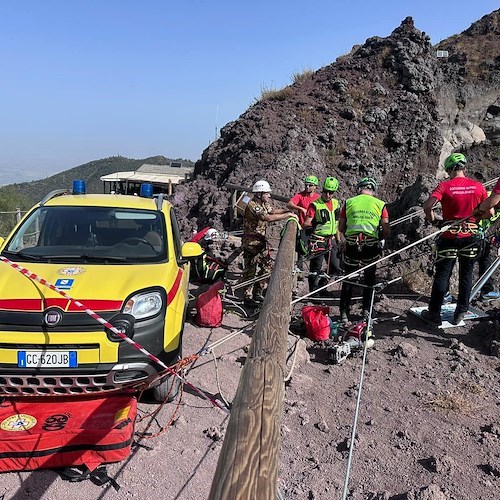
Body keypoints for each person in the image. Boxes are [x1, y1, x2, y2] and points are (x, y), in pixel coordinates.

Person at [422, 153, 489, 326]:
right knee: (466, 274)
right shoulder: (478, 187)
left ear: (450, 169)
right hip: (471, 236)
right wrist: (476, 220)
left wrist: (435, 220)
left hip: (450, 235)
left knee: (443, 274)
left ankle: (434, 313)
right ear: (464, 167)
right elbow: (489, 212)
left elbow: (427, 206)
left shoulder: (445, 186)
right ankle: (460, 312)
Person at [338, 177, 390, 324]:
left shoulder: (348, 202)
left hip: (352, 246)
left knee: (348, 278)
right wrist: (379, 235)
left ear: (359, 189)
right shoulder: (380, 204)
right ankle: (366, 311)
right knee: (369, 279)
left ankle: (343, 313)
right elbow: (386, 229)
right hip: (370, 246)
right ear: (372, 191)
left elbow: (341, 228)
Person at [242, 179, 297, 306]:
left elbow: (272, 211)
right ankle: (247, 298)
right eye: (267, 193)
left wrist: (288, 211)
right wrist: (288, 216)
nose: (269, 195)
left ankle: (258, 292)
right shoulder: (253, 205)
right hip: (251, 243)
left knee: (267, 268)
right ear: (260, 193)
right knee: (250, 270)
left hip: (259, 242)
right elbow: (266, 218)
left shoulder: (263, 203)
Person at [303, 177, 341, 294]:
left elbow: (337, 223)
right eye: (325, 191)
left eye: (331, 193)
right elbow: (306, 223)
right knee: (315, 268)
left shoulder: (336, 204)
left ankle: (322, 286)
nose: (327, 195)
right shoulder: (315, 205)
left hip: (332, 239)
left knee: (335, 267)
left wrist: (338, 240)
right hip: (318, 239)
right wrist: (310, 229)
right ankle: (313, 292)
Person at [286, 175, 321, 271]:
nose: (307, 187)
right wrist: (300, 208)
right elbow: (289, 204)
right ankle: (299, 268)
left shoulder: (318, 198)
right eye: (306, 185)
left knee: (316, 248)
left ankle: (313, 270)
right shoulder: (300, 196)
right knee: (301, 248)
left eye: (310, 185)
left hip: (315, 228)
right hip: (303, 227)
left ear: (315, 187)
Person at [476, 191, 500, 301]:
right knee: (466, 262)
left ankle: (486, 290)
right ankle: (445, 293)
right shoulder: (487, 195)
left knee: (486, 259)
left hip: (481, 234)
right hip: (468, 230)